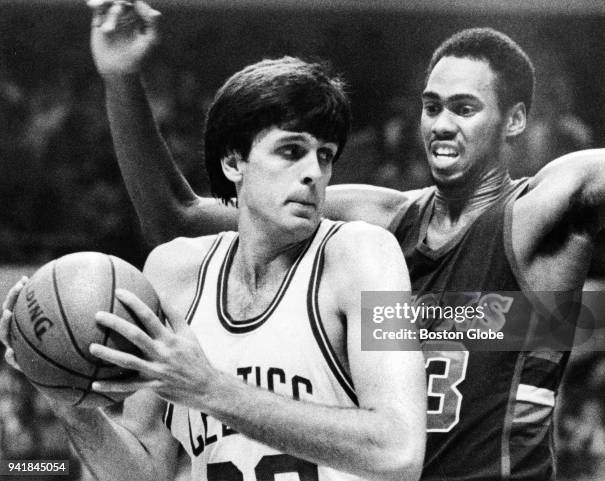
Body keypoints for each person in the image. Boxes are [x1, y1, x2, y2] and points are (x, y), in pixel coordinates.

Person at [85, 2, 605, 479]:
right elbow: (179, 217)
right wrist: (121, 78)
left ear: (514, 119)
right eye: (432, 107)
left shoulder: (540, 212)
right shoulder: (378, 224)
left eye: (464, 108)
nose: (441, 124)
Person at [0, 18, 428, 481]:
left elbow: (399, 450)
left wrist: (210, 389)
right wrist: (66, 398)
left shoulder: (365, 256)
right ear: (232, 161)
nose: (314, 172)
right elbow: (144, 474)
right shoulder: (172, 273)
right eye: (290, 151)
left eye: (324, 154)